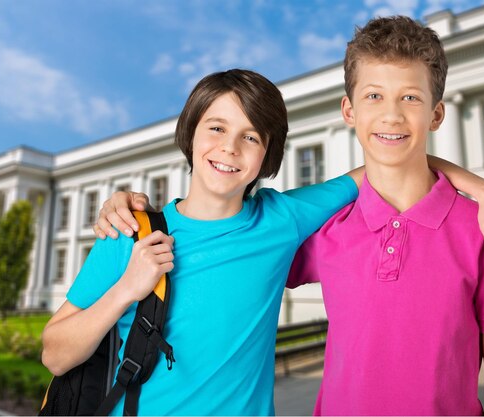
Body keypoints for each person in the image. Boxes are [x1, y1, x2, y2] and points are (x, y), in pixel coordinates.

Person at [42, 68, 364, 416]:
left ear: (267, 154)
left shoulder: (281, 219)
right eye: (217, 128)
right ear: (191, 133)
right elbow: (55, 356)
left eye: (251, 137)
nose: (230, 147)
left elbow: (375, 173)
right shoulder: (129, 231)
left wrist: (433, 163)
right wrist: (125, 290)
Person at [286, 16, 484, 415]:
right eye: (374, 96)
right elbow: (232, 242)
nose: (392, 116)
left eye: (411, 98)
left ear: (436, 115)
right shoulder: (325, 228)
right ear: (349, 110)